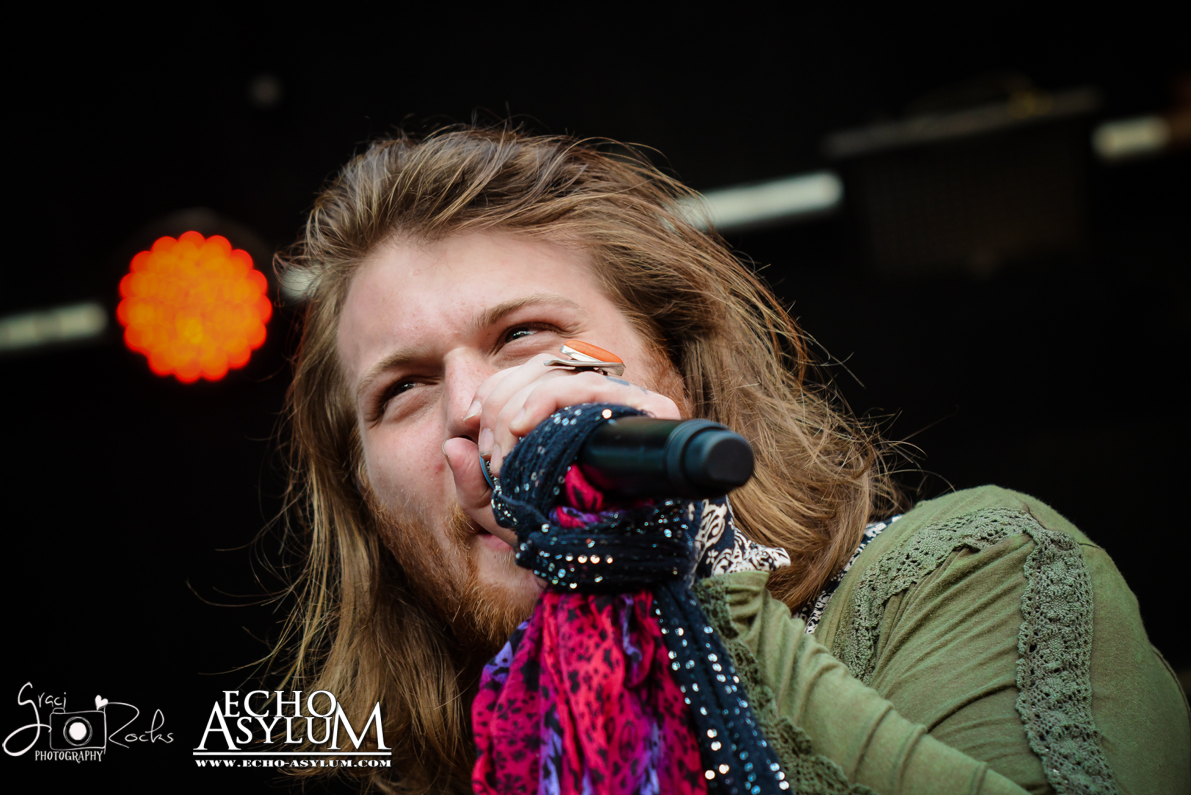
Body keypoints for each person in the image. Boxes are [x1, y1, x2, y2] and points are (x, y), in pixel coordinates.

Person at [272, 125, 1190, 794]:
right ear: (364, 491)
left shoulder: (971, 568)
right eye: (403, 389)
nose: (471, 408)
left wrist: (663, 573)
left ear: (676, 367)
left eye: (523, 333)